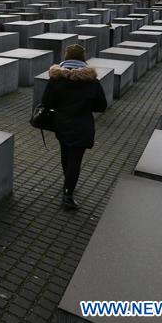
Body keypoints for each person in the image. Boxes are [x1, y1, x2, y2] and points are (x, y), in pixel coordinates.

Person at [40, 44, 108, 210]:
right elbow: (101, 106)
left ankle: (67, 183)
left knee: (65, 154)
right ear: (83, 58)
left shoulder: (56, 79)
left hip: (61, 123)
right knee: (75, 159)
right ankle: (68, 193)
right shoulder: (91, 81)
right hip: (82, 124)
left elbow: (46, 102)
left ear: (66, 57)